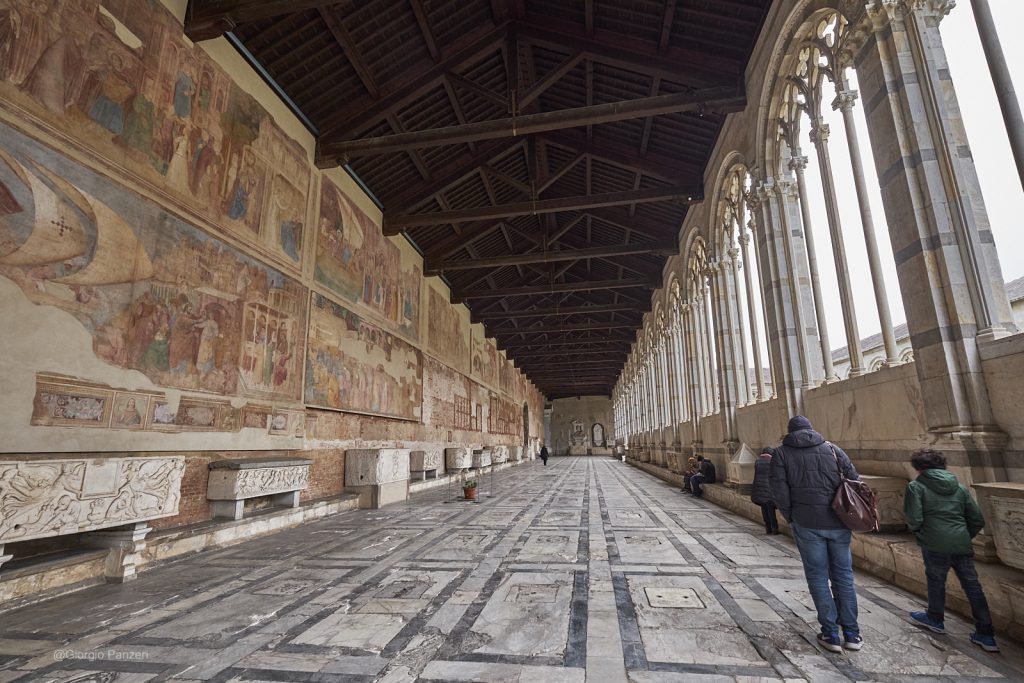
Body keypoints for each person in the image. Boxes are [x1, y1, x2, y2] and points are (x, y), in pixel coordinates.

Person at [770, 415, 862, 653]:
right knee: (843, 576)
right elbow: (854, 480)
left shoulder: (782, 453)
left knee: (818, 576)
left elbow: (779, 489)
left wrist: (791, 516)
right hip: (838, 522)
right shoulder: (833, 449)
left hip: (807, 521)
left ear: (789, 433)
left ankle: (830, 633)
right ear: (811, 429)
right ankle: (852, 633)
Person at [905, 449, 997, 652]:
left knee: (936, 582)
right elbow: (977, 519)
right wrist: (963, 536)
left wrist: (923, 534)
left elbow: (914, 519)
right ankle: (986, 634)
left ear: (919, 468)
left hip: (934, 544)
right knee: (973, 588)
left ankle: (935, 618)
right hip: (961, 543)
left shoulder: (916, 487)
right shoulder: (960, 488)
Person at [751, 447, 779, 534]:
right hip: (768, 489)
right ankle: (774, 528)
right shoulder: (772, 462)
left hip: (759, 489)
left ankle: (768, 528)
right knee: (771, 510)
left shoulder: (757, 462)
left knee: (764, 509)